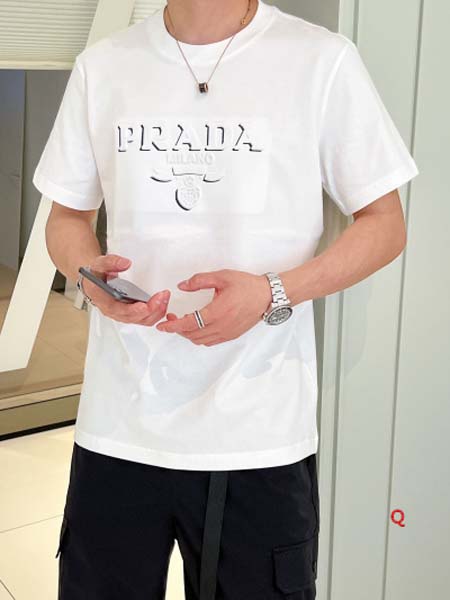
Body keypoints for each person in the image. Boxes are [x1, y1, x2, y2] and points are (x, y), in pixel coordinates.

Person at [33, 0, 419, 598]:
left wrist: (271, 292)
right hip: (120, 423)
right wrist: (89, 278)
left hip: (258, 431)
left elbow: (385, 224)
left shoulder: (321, 60)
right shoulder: (104, 66)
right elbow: (67, 217)